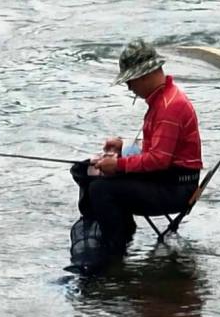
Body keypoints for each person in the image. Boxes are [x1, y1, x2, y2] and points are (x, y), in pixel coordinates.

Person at [68, 39, 203, 273]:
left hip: (176, 188)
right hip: (169, 179)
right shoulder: (164, 100)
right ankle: (121, 234)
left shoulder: (169, 107)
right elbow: (157, 151)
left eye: (130, 81)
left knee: (101, 189)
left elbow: (158, 160)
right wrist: (122, 150)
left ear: (144, 76)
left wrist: (118, 165)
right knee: (89, 170)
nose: (130, 88)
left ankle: (113, 253)